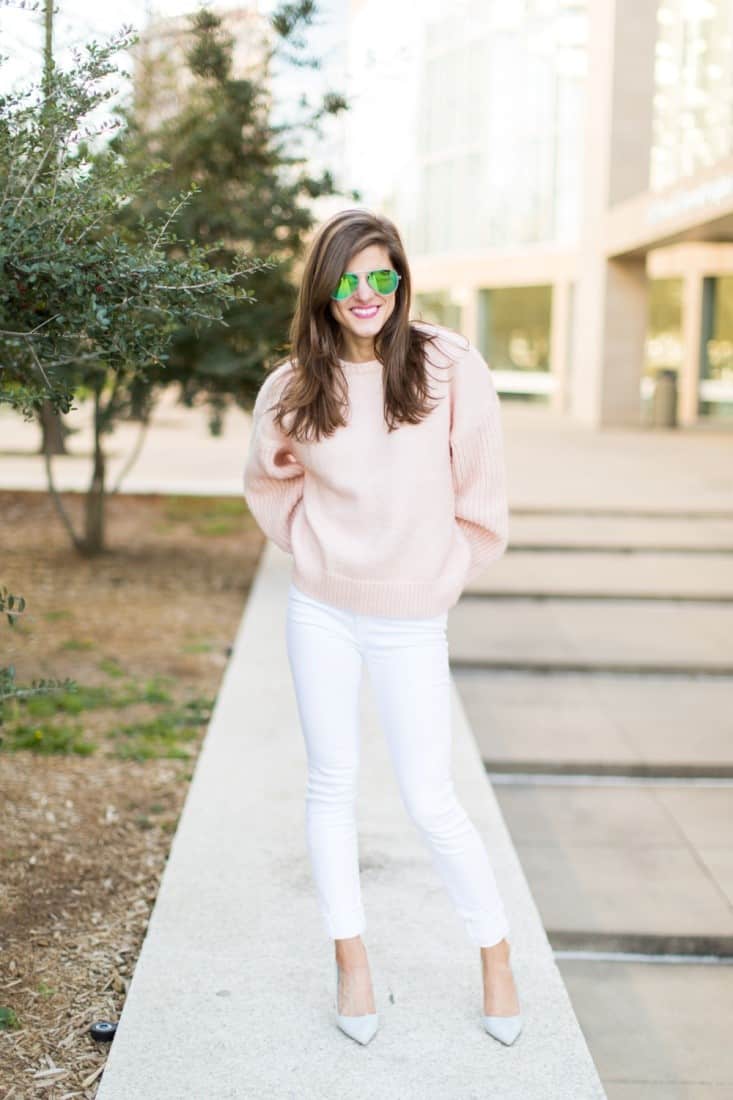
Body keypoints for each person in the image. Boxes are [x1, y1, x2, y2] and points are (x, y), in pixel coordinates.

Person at [243, 208, 521, 1048]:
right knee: (331, 785)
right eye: (347, 280)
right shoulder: (293, 385)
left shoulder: (447, 366)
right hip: (321, 610)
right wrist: (313, 550)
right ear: (323, 291)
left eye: (380, 277)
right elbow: (269, 482)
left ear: (400, 281)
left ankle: (495, 957)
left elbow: (481, 495)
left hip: (411, 619)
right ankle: (351, 960)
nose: (365, 294)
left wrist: (439, 576)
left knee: (430, 798)